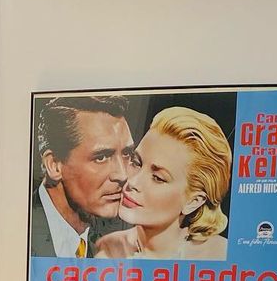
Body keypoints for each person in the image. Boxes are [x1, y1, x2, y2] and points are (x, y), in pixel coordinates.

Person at [95, 106, 232, 260]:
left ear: (193, 201)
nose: (132, 182)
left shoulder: (221, 256)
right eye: (136, 162)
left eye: (158, 178)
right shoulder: (106, 250)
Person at [30, 95, 135, 258]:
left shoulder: (124, 233)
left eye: (127, 154)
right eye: (101, 157)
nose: (123, 175)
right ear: (54, 165)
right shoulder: (17, 230)